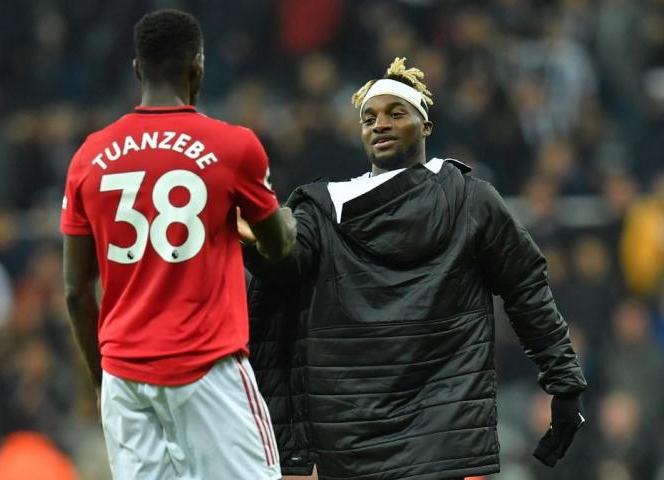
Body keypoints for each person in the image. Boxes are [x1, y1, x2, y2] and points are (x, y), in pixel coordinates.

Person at [239, 58, 587, 480]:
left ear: (426, 127)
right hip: (421, 439)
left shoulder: (330, 208)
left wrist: (564, 385)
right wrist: (260, 239)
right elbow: (285, 265)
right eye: (369, 118)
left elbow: (528, 293)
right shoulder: (324, 210)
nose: (379, 124)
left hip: (361, 439)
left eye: (395, 113)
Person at [61, 9, 295, 479]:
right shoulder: (234, 147)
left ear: (136, 70)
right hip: (207, 367)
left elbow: (75, 292)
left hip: (125, 377)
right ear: (198, 65)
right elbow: (279, 245)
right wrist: (280, 219)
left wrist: (104, 381)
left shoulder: (89, 156)